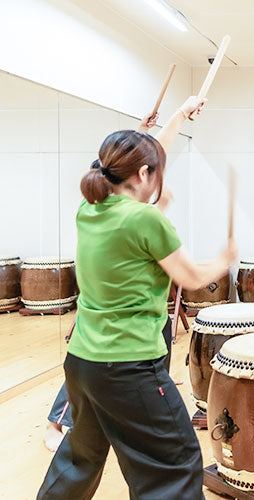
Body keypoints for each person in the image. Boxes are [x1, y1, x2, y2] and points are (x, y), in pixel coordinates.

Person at [38, 96, 238, 500]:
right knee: (175, 465)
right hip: (128, 368)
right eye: (156, 172)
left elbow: (138, 162)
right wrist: (224, 259)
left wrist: (178, 117)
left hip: (83, 363)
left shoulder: (89, 209)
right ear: (145, 173)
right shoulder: (146, 219)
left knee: (81, 459)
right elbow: (192, 277)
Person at [42, 112, 173, 454]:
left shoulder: (120, 207)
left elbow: (152, 157)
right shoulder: (98, 209)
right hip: (105, 327)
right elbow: (150, 159)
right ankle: (55, 423)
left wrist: (158, 127)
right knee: (93, 378)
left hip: (134, 319)